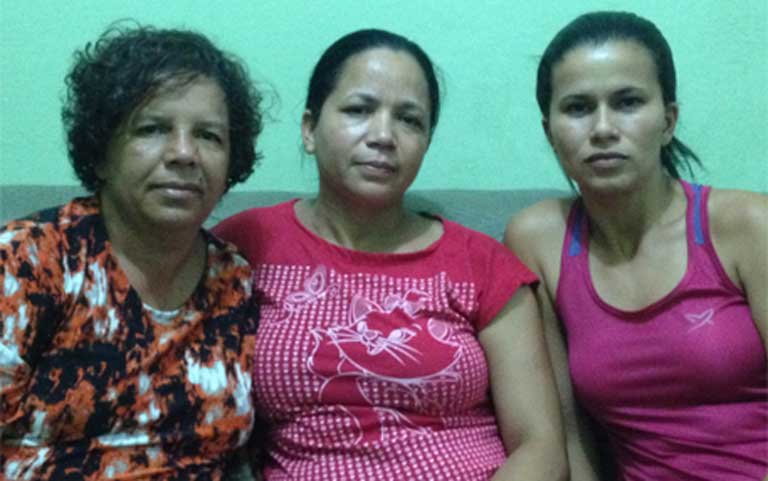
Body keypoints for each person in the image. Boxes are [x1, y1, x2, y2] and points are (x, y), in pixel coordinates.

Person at [214, 28, 566, 480]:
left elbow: (540, 446)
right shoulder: (246, 243)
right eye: (359, 110)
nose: (383, 135)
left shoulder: (483, 262)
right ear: (309, 129)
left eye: (409, 120)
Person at [505, 11, 768, 481]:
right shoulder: (538, 240)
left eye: (627, 102)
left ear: (668, 120)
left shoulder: (747, 225)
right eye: (578, 108)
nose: (603, 128)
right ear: (550, 132)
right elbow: (566, 431)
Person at [0, 23, 265, 480]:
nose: (184, 153)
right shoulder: (30, 261)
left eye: (209, 136)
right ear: (101, 154)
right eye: (153, 128)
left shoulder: (234, 279)